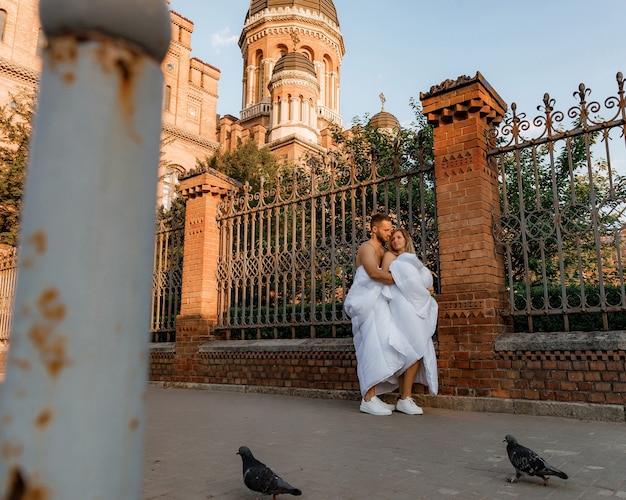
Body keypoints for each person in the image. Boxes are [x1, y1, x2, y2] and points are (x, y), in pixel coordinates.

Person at [344, 213, 403, 416]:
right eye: (386, 230)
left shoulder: (383, 250)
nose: (390, 233)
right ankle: (367, 399)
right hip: (365, 305)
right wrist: (405, 280)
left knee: (381, 347)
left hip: (377, 304)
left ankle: (374, 395)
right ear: (375, 229)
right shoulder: (367, 248)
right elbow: (374, 274)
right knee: (368, 348)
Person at [381, 227, 439, 415]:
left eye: (399, 237)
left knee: (415, 347)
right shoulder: (390, 256)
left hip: (415, 306)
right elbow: (388, 277)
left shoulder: (413, 260)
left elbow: (420, 281)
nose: (395, 240)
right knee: (410, 346)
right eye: (392, 238)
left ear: (405, 239)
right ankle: (404, 397)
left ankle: (405, 397)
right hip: (401, 305)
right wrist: (420, 288)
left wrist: (426, 289)